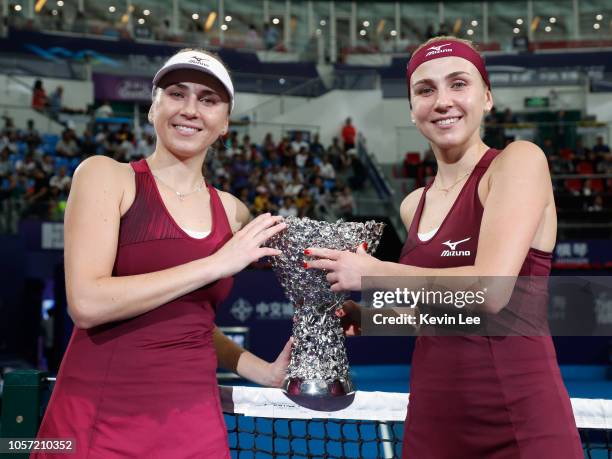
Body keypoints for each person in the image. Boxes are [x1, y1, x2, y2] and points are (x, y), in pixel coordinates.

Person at [305, 37, 582, 458]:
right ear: (412, 109)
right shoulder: (413, 204)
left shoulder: (519, 161)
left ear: (486, 97)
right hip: (433, 421)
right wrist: (372, 317)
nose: (442, 101)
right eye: (426, 90)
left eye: (458, 84)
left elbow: (489, 293)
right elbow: (438, 314)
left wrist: (373, 272)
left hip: (520, 416)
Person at [33, 48, 291, 459]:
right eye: (176, 93)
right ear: (153, 107)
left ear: (225, 123)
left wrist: (263, 370)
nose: (190, 109)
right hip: (96, 420)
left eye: (208, 100)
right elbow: (87, 303)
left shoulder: (232, 211)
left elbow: (188, 321)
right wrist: (215, 264)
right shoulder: (105, 175)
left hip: (196, 423)